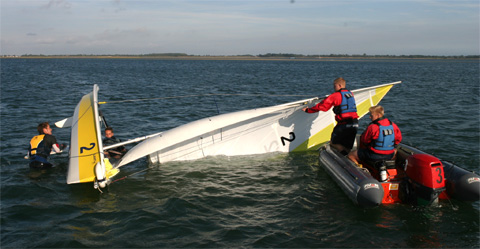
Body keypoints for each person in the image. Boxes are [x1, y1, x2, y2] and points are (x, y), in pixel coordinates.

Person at [302, 77, 359, 154]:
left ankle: (342, 157)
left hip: (343, 124)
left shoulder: (335, 95)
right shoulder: (351, 94)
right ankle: (347, 157)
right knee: (347, 146)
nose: (333, 88)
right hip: (354, 123)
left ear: (339, 85)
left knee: (333, 143)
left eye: (334, 86)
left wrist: (308, 110)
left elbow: (323, 106)